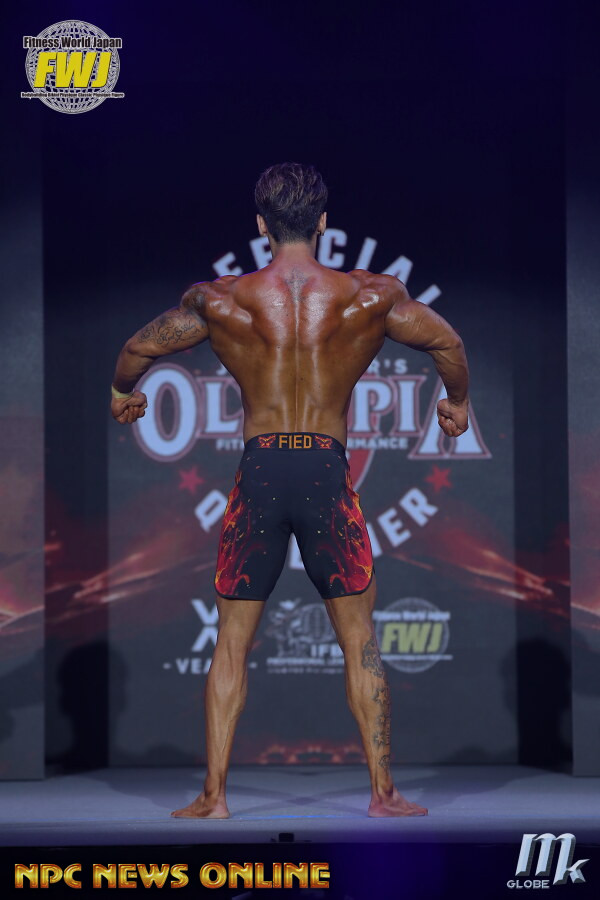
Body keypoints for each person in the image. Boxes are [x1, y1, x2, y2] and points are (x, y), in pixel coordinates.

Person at [110, 162, 469, 818]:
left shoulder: (220, 300)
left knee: (231, 642)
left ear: (261, 226)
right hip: (327, 472)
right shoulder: (370, 296)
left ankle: (214, 797)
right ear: (323, 223)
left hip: (262, 472)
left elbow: (138, 349)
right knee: (359, 638)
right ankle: (383, 794)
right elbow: (446, 342)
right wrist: (458, 402)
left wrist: (121, 393)